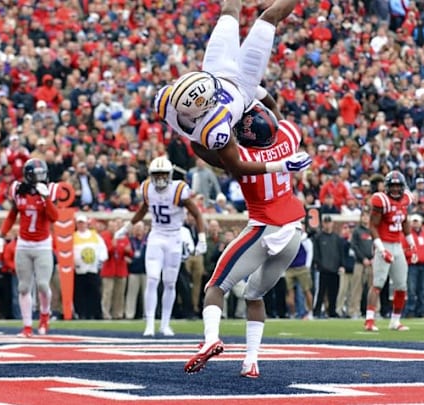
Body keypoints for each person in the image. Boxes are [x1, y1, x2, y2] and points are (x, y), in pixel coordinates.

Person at [184, 102, 305, 378]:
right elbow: (273, 106)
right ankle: (251, 361)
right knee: (254, 294)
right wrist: (254, 92)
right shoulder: (288, 134)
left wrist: (199, 122)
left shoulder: (241, 157)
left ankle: (212, 338)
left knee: (215, 286)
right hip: (294, 231)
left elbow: (199, 148)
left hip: (264, 228)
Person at [155, 0, 311, 178]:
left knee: (229, 12)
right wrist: (281, 165)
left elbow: (204, 150)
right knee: (268, 18)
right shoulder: (214, 128)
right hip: (245, 83)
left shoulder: (165, 102)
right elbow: (235, 166)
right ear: (205, 108)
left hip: (214, 69)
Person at [114, 156, 206, 337]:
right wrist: (126, 228)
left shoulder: (178, 190)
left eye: (164, 174)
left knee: (170, 283)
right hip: (156, 236)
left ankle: (164, 324)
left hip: (174, 237)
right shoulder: (148, 188)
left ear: (170, 174)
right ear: (151, 175)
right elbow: (143, 210)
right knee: (152, 279)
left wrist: (201, 238)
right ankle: (149, 323)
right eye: (157, 175)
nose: (160, 178)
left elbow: (197, 214)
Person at [0, 158, 58, 336]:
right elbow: (11, 215)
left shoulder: (49, 190)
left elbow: (54, 217)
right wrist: (1, 235)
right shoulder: (18, 190)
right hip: (23, 244)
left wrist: (46, 198)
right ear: (29, 176)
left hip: (43, 244)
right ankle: (27, 326)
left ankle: (44, 316)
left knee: (43, 285)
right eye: (37, 174)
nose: (41, 177)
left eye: (42, 174)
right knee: (23, 287)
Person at [364, 170, 418, 332]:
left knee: (401, 285)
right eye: (392, 186)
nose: (395, 189)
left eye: (398, 186)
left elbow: (405, 222)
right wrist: (381, 250)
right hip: (384, 243)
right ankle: (369, 320)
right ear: (387, 187)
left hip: (397, 245)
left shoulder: (405, 200)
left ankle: (395, 321)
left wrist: (411, 244)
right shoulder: (381, 201)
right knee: (378, 283)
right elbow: (372, 226)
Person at [72, 214, 108, 319]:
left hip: (92, 269)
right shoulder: (74, 236)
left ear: (87, 223)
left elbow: (102, 249)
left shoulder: (95, 235)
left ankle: (96, 314)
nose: (81, 225)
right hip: (79, 270)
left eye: (82, 223)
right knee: (79, 293)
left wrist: (100, 261)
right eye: (79, 223)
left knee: (95, 292)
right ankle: (81, 313)